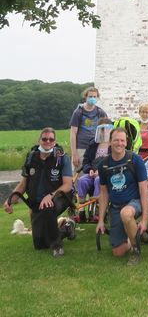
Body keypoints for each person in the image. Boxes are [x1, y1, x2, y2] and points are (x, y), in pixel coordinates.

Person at [3, 128, 74, 257]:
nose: (48, 141)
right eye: (44, 139)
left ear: (55, 141)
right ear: (39, 140)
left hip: (60, 197)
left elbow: (68, 184)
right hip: (37, 203)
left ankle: (57, 247)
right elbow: (23, 184)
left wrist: (51, 195)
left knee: (48, 206)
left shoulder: (62, 158)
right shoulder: (31, 157)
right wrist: (10, 200)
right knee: (40, 245)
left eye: (51, 139)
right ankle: (66, 228)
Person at [97, 127, 148, 266]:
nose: (119, 143)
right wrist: (100, 220)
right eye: (116, 140)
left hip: (134, 202)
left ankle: (136, 251)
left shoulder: (135, 160)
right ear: (110, 142)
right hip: (115, 207)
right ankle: (133, 235)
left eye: (122, 140)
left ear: (126, 143)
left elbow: (144, 190)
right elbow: (103, 193)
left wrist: (145, 220)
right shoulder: (103, 165)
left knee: (126, 213)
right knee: (118, 252)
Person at [76, 119, 113, 222]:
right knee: (82, 180)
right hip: (92, 173)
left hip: (106, 175)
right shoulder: (93, 144)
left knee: (98, 180)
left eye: (107, 129)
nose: (104, 131)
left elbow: (114, 162)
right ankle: (81, 210)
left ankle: (98, 211)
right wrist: (89, 170)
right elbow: (86, 160)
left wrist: (101, 172)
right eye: (102, 129)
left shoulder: (113, 145)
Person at [69, 86, 108, 169]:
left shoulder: (100, 112)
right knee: (78, 175)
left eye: (95, 96)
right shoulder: (78, 112)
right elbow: (73, 133)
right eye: (90, 96)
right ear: (86, 97)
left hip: (95, 148)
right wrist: (74, 154)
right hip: (81, 148)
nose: (92, 98)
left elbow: (106, 131)